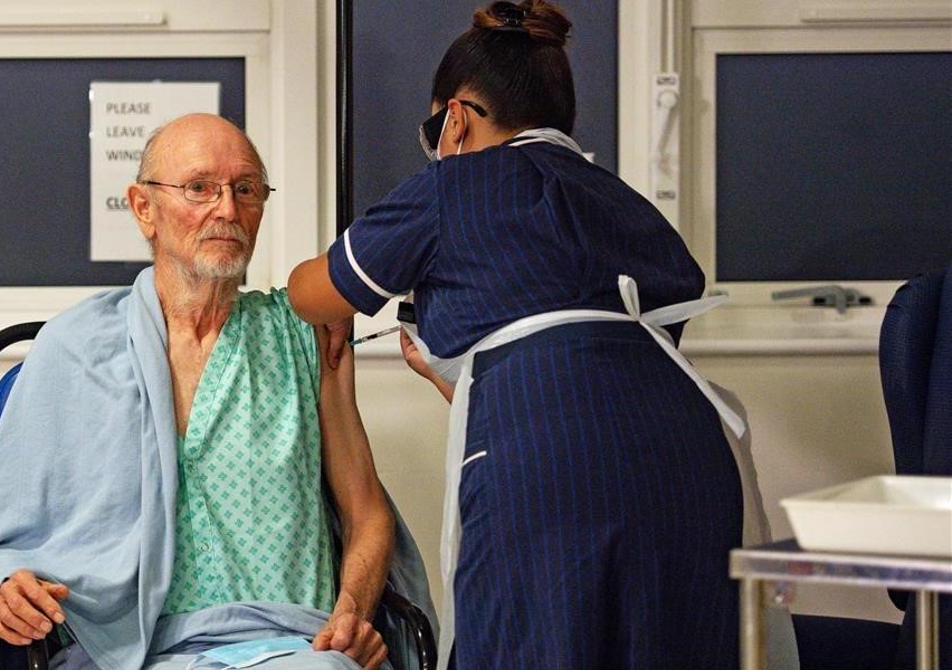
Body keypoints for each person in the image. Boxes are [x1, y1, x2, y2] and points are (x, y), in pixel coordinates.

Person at [287, 1, 745, 668]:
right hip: (690, 459)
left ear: (456, 118)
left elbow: (312, 291)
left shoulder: (453, 186)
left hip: (548, 469)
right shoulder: (627, 204)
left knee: (529, 643)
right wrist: (460, 378)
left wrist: (332, 305)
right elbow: (601, 377)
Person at [0, 114, 433, 670]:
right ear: (144, 208)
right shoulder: (73, 348)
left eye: (245, 189)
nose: (226, 209)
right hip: (123, 651)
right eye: (199, 188)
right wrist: (6, 585)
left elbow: (366, 512)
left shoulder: (305, 334)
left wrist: (352, 614)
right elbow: (5, 532)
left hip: (289, 647)